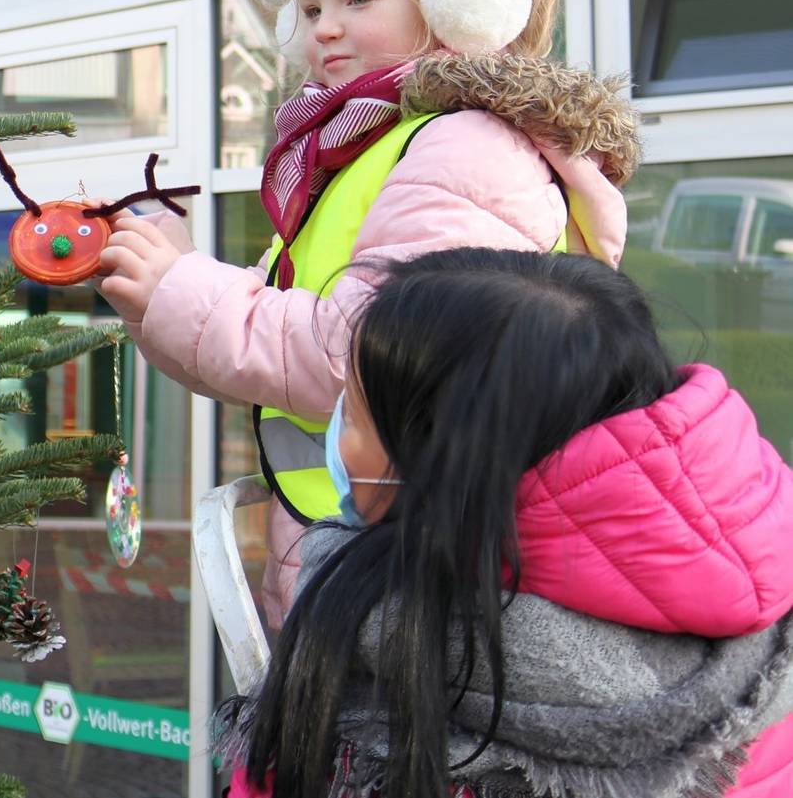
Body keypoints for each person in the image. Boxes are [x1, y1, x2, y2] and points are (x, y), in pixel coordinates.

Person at [91, 0, 638, 622]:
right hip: (356, 548)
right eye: (310, 8)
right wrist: (170, 284)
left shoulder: (467, 150)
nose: (326, 29)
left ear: (455, 5)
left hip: (412, 571)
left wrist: (185, 289)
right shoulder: (377, 141)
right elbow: (306, 330)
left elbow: (368, 359)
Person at [220, 248, 793, 798]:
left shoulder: (380, 623)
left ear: (446, 460)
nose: (337, 441)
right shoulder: (757, 634)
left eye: (357, 416)